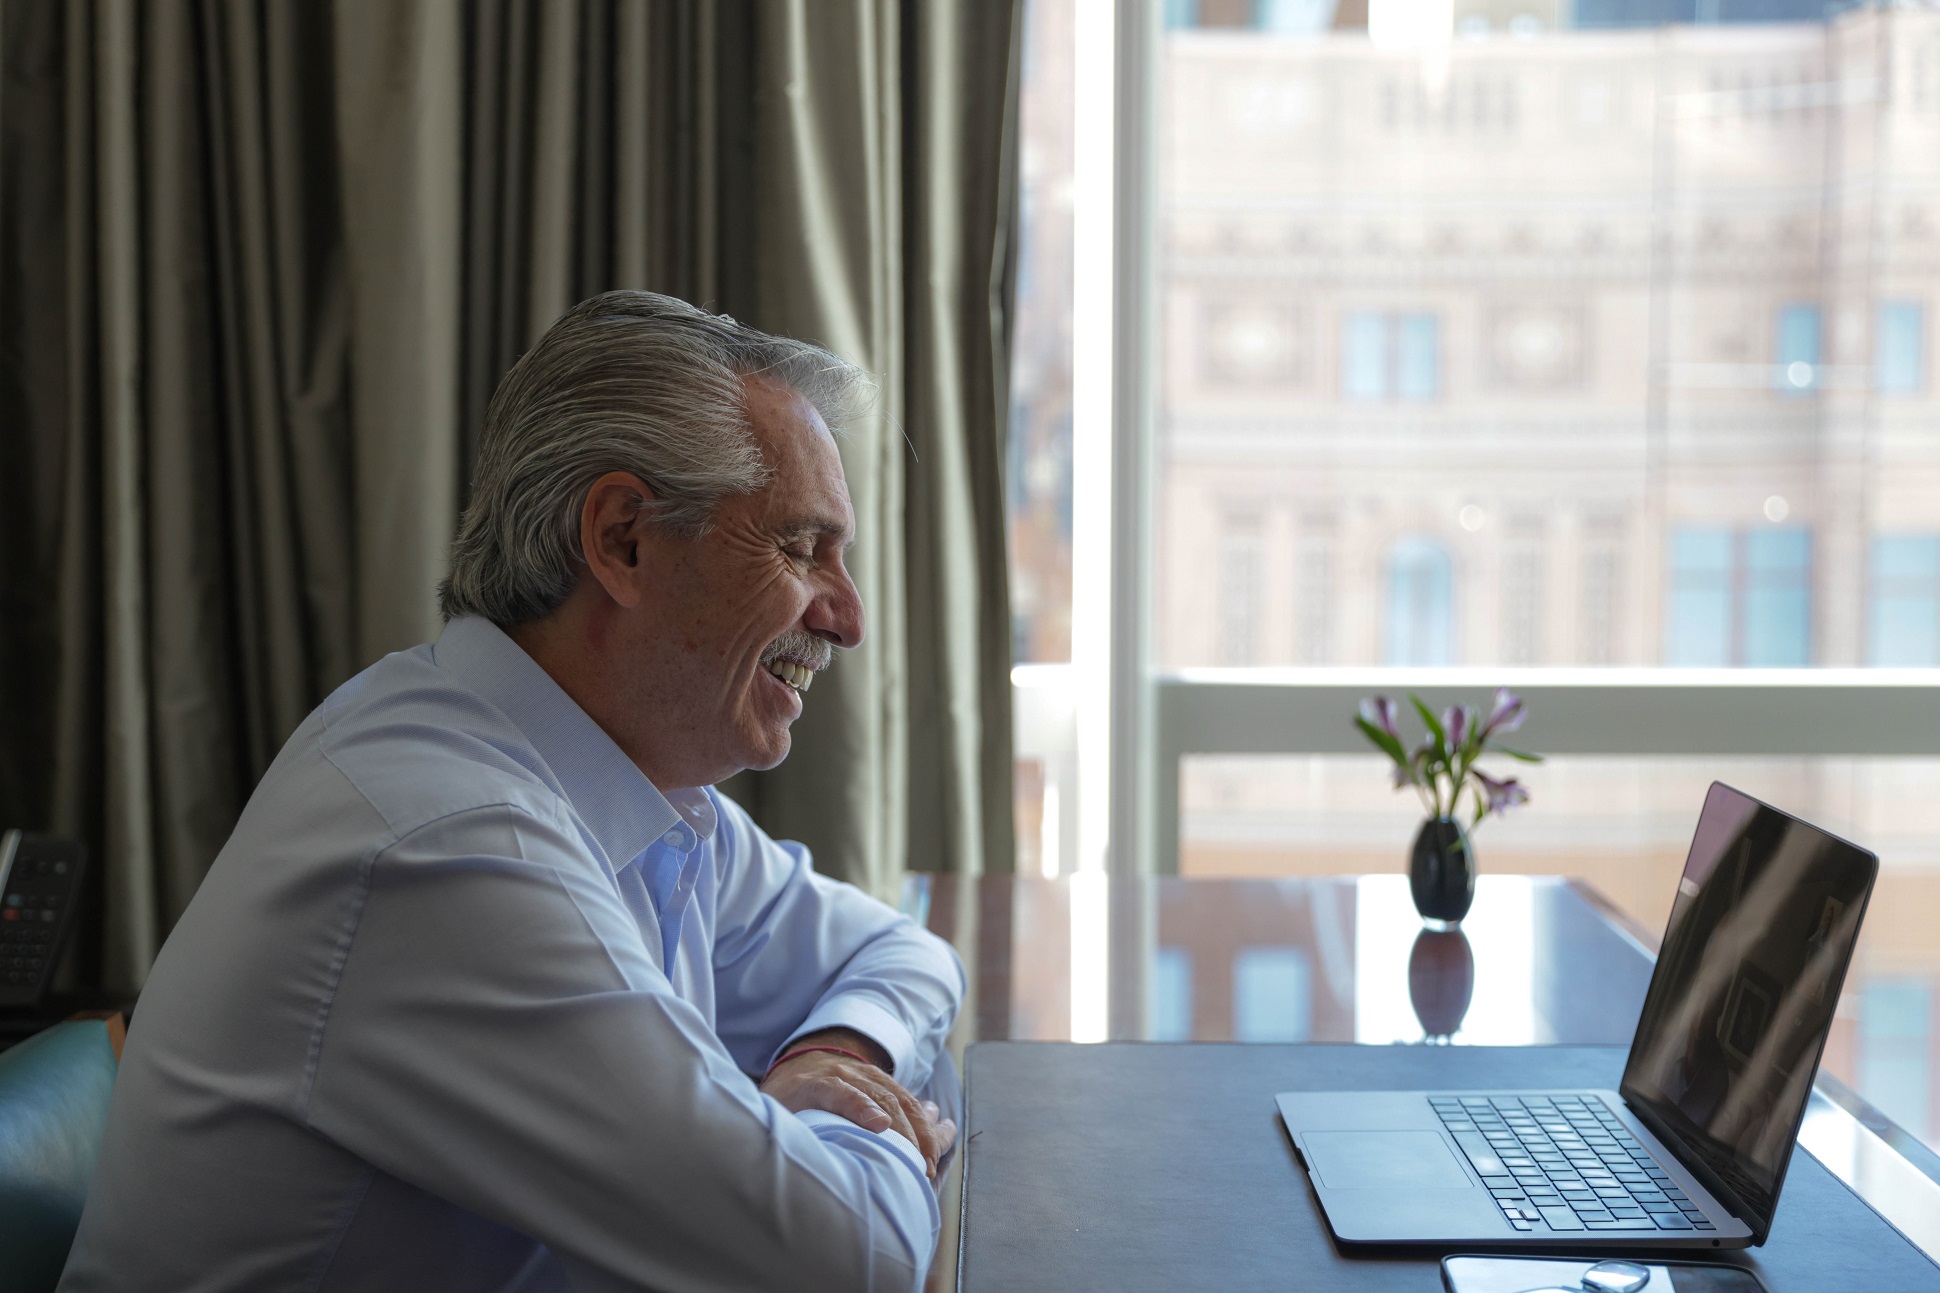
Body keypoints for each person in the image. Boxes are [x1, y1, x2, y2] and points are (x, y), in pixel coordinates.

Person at [59, 292, 965, 1293]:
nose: (847, 618)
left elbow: (900, 949)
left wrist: (838, 1055)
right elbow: (850, 1264)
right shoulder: (446, 847)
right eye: (800, 548)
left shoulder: (613, 780)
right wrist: (867, 1122)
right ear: (622, 538)